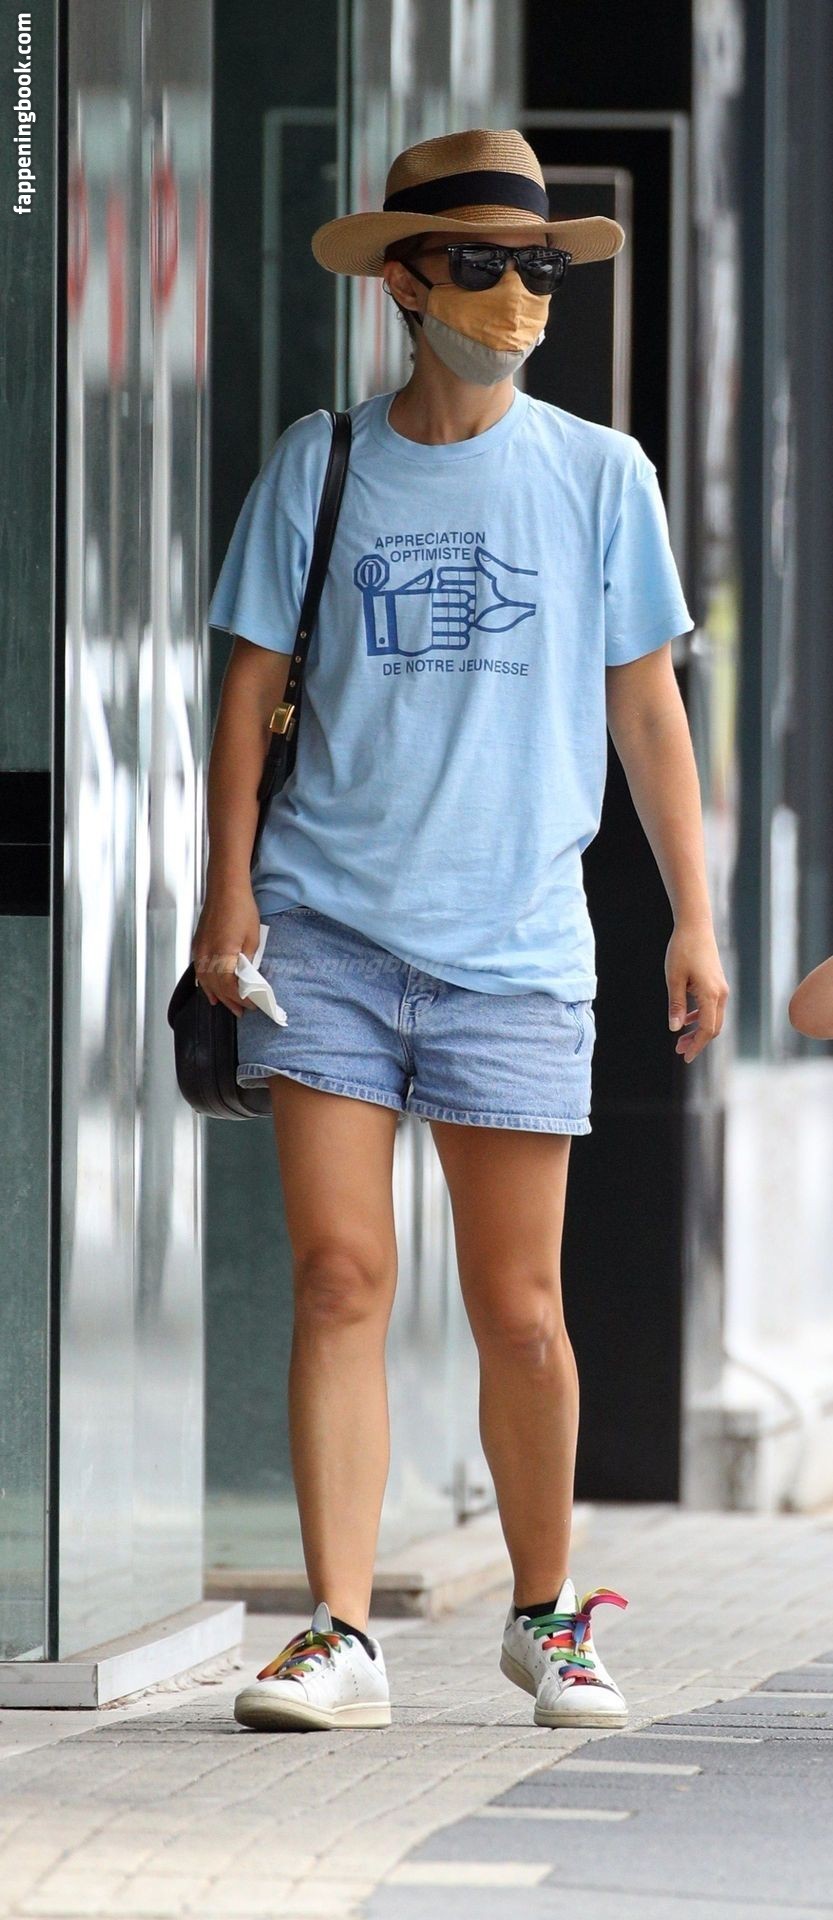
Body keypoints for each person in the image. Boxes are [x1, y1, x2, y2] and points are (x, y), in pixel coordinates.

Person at [197, 128, 729, 1735]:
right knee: (338, 1277)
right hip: (327, 931)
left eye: (539, 266)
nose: (517, 296)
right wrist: (224, 892)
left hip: (514, 946)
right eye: (482, 266)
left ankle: (545, 1618)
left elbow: (648, 708)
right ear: (404, 286)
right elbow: (244, 691)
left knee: (521, 1311)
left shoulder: (599, 474)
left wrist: (693, 917)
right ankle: (338, 1634)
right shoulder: (321, 464)